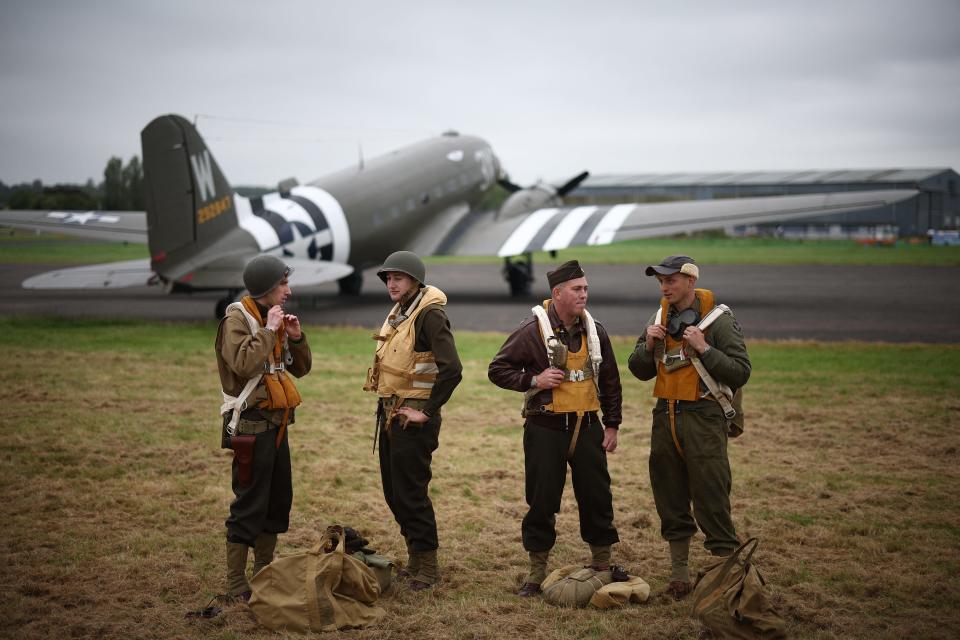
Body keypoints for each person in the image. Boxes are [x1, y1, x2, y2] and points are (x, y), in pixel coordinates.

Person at [488, 259, 623, 597]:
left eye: (586, 288)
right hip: (545, 427)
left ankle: (603, 563)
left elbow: (610, 381)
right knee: (542, 500)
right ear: (557, 293)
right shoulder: (531, 330)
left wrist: (613, 425)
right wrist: (533, 379)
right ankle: (536, 573)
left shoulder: (596, 331)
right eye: (577, 289)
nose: (584, 295)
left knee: (597, 496)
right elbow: (497, 369)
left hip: (588, 425)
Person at [627, 255, 751, 599]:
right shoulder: (659, 317)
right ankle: (679, 576)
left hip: (704, 417)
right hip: (665, 416)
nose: (665, 287)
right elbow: (639, 370)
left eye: (671, 281)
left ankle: (728, 581)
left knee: (712, 497)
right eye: (661, 282)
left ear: (690, 282)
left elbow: (740, 372)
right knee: (669, 497)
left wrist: (704, 348)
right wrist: (648, 345)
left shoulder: (719, 319)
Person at [363, 250, 462, 591]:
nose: (392, 283)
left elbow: (453, 369)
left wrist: (427, 411)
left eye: (398, 278)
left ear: (415, 281)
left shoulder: (429, 315)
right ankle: (416, 560)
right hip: (391, 413)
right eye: (388, 278)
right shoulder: (402, 311)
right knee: (395, 493)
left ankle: (429, 569)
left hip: (412, 419)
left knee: (411, 493)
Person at [215, 254, 312, 602]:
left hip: (278, 428)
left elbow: (299, 369)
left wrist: (296, 339)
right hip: (251, 431)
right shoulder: (236, 320)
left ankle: (264, 574)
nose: (288, 290)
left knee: (276, 503)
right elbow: (243, 363)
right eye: (283, 284)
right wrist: (270, 331)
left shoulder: (273, 318)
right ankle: (236, 585)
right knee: (249, 505)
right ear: (266, 289)